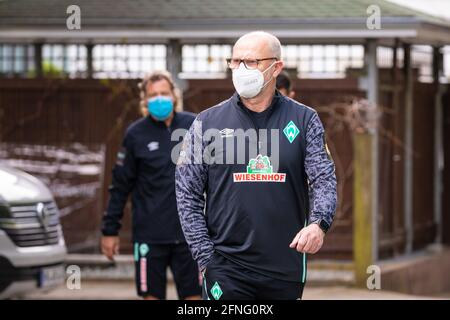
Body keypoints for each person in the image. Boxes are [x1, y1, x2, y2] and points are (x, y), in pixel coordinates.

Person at [175, 31, 337, 300]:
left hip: (285, 266)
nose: (241, 69)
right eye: (235, 61)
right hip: (226, 266)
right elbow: (186, 193)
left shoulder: (305, 120)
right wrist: (205, 257)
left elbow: (323, 179)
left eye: (251, 62)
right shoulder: (206, 122)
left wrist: (319, 224)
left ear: (276, 67)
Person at [101, 71, 200, 300]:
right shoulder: (135, 134)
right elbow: (120, 185)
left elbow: (214, 178)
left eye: (164, 93)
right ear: (145, 100)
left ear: (174, 96)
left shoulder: (194, 125)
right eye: (153, 95)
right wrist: (109, 230)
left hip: (191, 236)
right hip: (149, 236)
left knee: (196, 298)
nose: (159, 99)